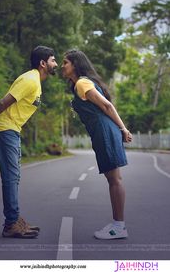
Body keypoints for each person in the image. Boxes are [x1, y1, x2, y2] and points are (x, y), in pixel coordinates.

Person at [0, 46, 58, 238]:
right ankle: (11, 223)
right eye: (53, 60)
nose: (56, 64)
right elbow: (5, 102)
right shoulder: (30, 80)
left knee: (14, 177)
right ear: (43, 63)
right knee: (11, 177)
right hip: (5, 129)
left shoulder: (35, 81)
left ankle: (14, 219)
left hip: (10, 129)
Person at [61, 49, 132, 240]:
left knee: (114, 179)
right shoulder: (80, 84)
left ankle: (119, 226)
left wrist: (123, 129)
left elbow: (107, 106)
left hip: (104, 131)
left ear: (75, 64)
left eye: (65, 62)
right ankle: (118, 224)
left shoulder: (83, 83)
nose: (62, 66)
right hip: (102, 131)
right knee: (113, 179)